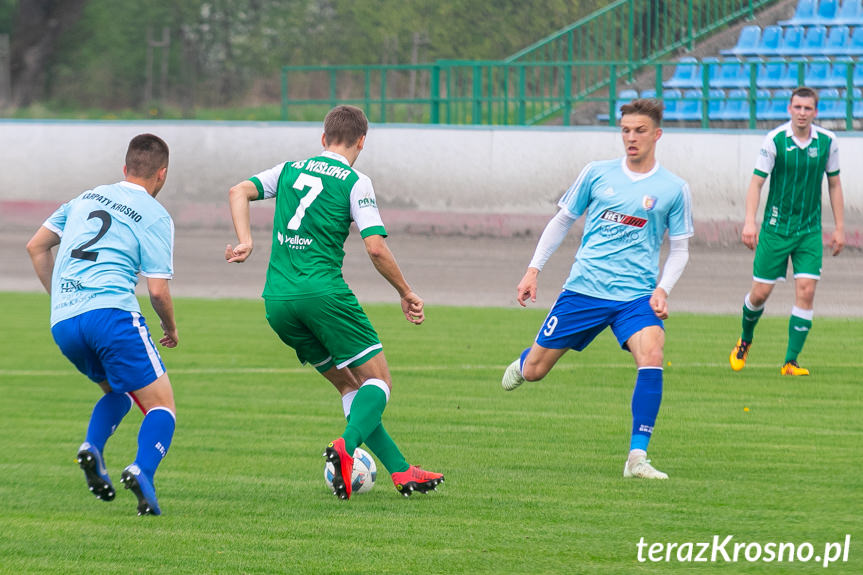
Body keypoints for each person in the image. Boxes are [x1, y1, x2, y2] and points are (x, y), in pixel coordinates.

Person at [226, 104, 444, 500]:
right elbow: (376, 248)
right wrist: (405, 291)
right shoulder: (355, 181)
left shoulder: (289, 169)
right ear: (362, 141)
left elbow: (238, 190)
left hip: (277, 301)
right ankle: (347, 447)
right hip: (323, 295)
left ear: (323, 139)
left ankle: (400, 470)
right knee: (379, 381)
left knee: (349, 386)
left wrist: (246, 240)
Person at [501, 98, 693, 480]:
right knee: (537, 371)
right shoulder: (596, 173)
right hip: (585, 290)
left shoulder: (674, 189)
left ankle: (637, 458)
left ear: (657, 135)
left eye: (640, 131)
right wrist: (533, 270)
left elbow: (681, 249)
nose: (631, 138)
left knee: (652, 353)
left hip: (635, 297)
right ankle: (525, 361)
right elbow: (561, 222)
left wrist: (663, 288)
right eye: (625, 131)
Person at [25, 134, 178, 516]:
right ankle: (142, 471)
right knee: (162, 406)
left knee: (119, 392)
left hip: (64, 320)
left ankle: (92, 446)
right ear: (162, 175)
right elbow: (157, 291)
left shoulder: (85, 197)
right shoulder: (156, 214)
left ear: (125, 169)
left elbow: (36, 246)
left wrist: (60, 299)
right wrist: (170, 328)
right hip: (111, 314)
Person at [729, 86, 845, 376]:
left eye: (808, 108)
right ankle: (745, 339)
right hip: (775, 229)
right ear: (789, 109)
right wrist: (749, 221)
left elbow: (834, 184)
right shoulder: (775, 140)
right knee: (760, 294)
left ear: (816, 112)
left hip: (808, 231)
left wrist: (840, 228)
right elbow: (756, 182)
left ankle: (790, 362)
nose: (802, 113)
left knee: (806, 291)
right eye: (798, 107)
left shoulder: (828, 142)